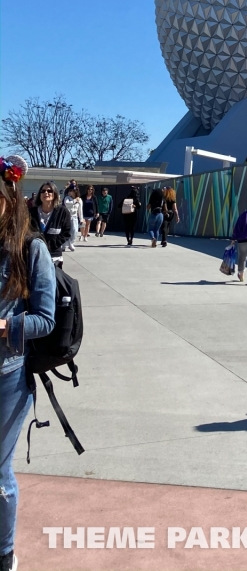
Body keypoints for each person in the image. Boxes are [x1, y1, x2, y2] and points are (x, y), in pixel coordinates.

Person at [0, 155, 56, 571]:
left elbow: (46, 319)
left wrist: (4, 325)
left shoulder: (30, 248)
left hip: (8, 376)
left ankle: (4, 554)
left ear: (8, 196)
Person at [29, 182, 73, 263]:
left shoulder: (62, 211)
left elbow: (66, 233)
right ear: (40, 194)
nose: (46, 193)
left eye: (49, 191)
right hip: (34, 256)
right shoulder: (31, 212)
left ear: (55, 194)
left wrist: (49, 246)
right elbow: (27, 232)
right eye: (43, 191)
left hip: (54, 257)